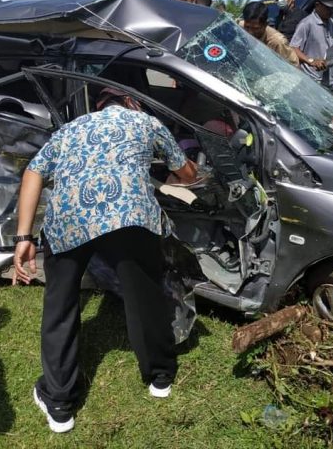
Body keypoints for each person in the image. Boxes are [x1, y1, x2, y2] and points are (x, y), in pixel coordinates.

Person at [13, 86, 197, 434]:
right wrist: (183, 171)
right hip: (127, 214)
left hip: (68, 218)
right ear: (130, 102)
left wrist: (24, 237)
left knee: (61, 306)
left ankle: (59, 404)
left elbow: (33, 173)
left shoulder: (69, 129)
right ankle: (159, 378)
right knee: (143, 296)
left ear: (98, 107)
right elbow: (187, 174)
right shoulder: (145, 120)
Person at [290, 0, 333, 93]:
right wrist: (312, 61)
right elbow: (293, 48)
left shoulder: (331, 22)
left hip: (330, 80)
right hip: (313, 81)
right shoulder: (306, 24)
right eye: (328, 8)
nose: (331, 11)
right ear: (317, 5)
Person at [239, 1, 298, 66]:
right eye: (247, 27)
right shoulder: (241, 26)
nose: (250, 32)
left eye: (255, 28)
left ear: (265, 24)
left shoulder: (277, 42)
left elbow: (293, 68)